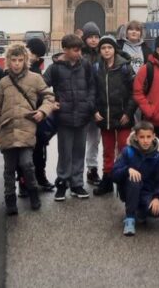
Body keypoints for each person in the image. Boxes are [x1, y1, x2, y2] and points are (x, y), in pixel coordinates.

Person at [0, 44, 55, 215]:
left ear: (25, 60)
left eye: (20, 60)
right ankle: (10, 199)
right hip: (7, 130)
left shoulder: (35, 78)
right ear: (8, 61)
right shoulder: (3, 83)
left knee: (27, 163)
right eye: (13, 60)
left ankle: (33, 193)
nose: (17, 64)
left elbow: (49, 97)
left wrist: (42, 111)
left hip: (27, 129)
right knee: (9, 168)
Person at [43, 34, 96, 201]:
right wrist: (51, 103)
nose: (79, 53)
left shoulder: (86, 65)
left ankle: (77, 184)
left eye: (80, 49)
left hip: (83, 116)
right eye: (75, 50)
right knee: (65, 151)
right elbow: (43, 86)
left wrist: (89, 104)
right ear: (65, 49)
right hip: (64, 117)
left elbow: (92, 87)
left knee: (79, 151)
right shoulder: (55, 68)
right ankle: (62, 182)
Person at [111, 121, 159, 236]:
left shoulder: (158, 157)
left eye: (148, 137)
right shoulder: (127, 152)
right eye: (142, 137)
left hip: (147, 192)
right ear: (136, 137)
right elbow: (114, 174)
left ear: (154, 136)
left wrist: (157, 197)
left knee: (157, 212)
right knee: (134, 178)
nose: (145, 140)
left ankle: (140, 210)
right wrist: (127, 170)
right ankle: (130, 217)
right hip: (129, 189)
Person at [93, 35, 136, 196]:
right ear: (100, 50)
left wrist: (128, 112)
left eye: (109, 47)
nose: (106, 50)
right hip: (104, 116)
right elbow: (93, 91)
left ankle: (125, 179)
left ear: (114, 49)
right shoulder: (96, 67)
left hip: (123, 116)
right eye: (103, 48)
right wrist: (94, 110)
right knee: (108, 150)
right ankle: (107, 179)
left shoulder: (125, 67)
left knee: (124, 149)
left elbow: (134, 93)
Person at [22, 37, 55, 194]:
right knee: (22, 152)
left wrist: (46, 107)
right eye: (31, 52)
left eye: (36, 54)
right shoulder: (15, 68)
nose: (33, 56)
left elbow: (43, 92)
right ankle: (23, 183)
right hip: (22, 117)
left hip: (38, 116)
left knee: (40, 150)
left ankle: (40, 178)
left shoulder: (37, 70)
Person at [79, 22, 103, 186]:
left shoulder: (104, 54)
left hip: (98, 102)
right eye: (91, 37)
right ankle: (75, 172)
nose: (94, 40)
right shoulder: (79, 54)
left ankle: (92, 168)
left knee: (95, 139)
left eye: (96, 37)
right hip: (82, 103)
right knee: (79, 140)